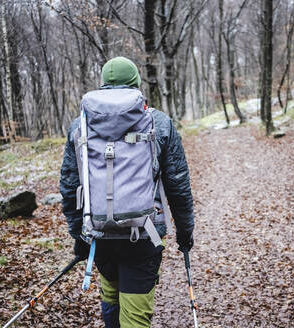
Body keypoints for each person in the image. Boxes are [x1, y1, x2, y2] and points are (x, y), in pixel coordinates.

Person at [60, 56, 194, 328]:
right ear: (136, 84)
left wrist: (78, 234)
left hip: (99, 233)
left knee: (111, 293)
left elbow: (69, 185)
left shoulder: (81, 126)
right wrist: (185, 232)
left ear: (103, 85)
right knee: (135, 312)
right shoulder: (158, 122)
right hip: (144, 234)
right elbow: (178, 185)